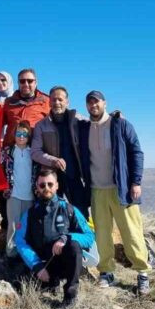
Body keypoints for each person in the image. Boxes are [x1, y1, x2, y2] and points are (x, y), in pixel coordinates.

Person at [78, 90, 149, 295]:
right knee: (102, 234)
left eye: (97, 102)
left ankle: (142, 273)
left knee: (131, 232)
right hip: (97, 189)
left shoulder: (120, 124)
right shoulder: (84, 128)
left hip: (122, 189)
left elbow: (136, 151)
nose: (93, 106)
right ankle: (106, 271)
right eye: (90, 103)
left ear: (104, 103)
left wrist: (136, 182)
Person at [16, 169, 95, 309]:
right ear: (37, 187)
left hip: (64, 263)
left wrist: (66, 238)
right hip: (42, 265)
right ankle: (51, 283)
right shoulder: (30, 214)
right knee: (20, 284)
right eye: (42, 185)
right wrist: (36, 265)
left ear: (57, 186)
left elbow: (89, 236)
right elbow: (20, 241)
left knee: (73, 246)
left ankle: (70, 297)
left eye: (50, 184)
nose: (46, 188)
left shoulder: (69, 209)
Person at [0, 68, 51, 230]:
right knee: (8, 197)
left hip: (36, 156)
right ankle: (8, 239)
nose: (26, 84)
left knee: (36, 196)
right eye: (22, 81)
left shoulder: (46, 101)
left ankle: (35, 237)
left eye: (30, 81)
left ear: (36, 82)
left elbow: (61, 115)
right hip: (12, 158)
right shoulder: (9, 102)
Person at [31, 86, 90, 214]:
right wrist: (53, 160)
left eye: (60, 99)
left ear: (67, 101)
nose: (57, 103)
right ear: (49, 102)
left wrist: (114, 117)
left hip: (74, 176)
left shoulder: (77, 119)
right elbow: (35, 152)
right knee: (52, 214)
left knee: (80, 213)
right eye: (53, 100)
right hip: (51, 178)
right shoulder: (41, 126)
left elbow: (97, 123)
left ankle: (81, 234)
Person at [0, 120, 36, 258]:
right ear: (14, 135)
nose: (21, 137)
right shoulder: (9, 151)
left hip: (29, 195)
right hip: (14, 194)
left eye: (25, 134)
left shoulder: (32, 152)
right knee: (13, 226)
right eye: (19, 133)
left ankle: (25, 255)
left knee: (26, 226)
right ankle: (11, 253)